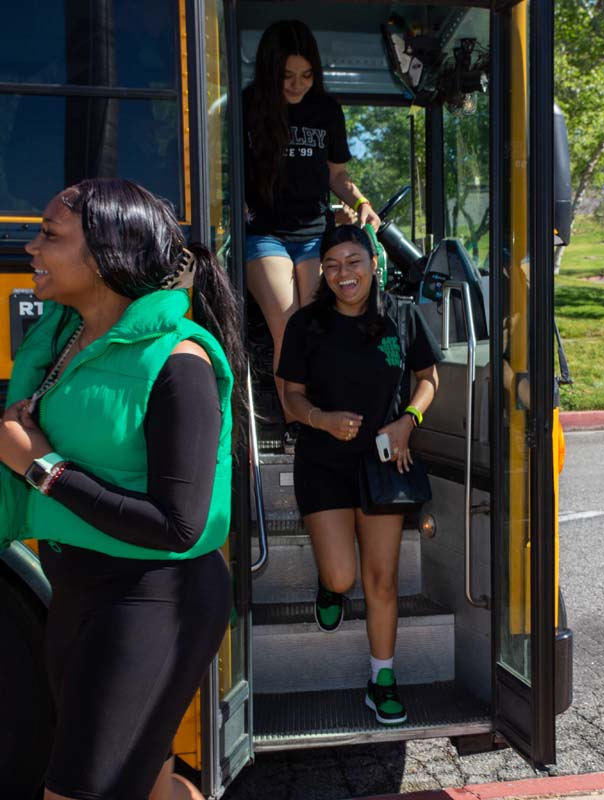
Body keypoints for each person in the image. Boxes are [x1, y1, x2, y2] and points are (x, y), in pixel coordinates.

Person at [0, 178, 244, 800]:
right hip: (78, 587)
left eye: (50, 235)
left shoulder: (178, 361)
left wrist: (42, 466)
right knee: (152, 782)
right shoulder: (67, 335)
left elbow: (178, 525)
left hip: (154, 599)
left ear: (107, 255)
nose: (30, 246)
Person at [276, 224, 439, 726]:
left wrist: (408, 420)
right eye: (332, 265)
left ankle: (381, 679)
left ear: (373, 264)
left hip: (382, 466)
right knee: (343, 575)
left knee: (382, 580)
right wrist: (321, 419)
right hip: (322, 463)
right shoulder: (306, 324)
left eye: (353, 262)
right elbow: (289, 398)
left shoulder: (402, 316)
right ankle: (329, 587)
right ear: (323, 273)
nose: (343, 274)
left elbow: (428, 379)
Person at [243, 19, 381, 431]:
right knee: (288, 325)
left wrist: (361, 203)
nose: (298, 85)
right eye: (288, 76)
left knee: (315, 326)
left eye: (306, 75)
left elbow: (337, 176)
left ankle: (318, 419)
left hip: (312, 237)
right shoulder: (248, 106)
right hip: (265, 233)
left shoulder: (327, 110)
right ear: (270, 71)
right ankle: (300, 426)